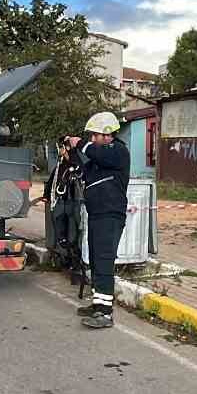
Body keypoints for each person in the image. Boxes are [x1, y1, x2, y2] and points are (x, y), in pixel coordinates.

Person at [64, 111, 130, 329]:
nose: (92, 139)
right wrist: (71, 154)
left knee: (103, 261)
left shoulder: (118, 152)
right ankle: (98, 304)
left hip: (110, 216)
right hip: (97, 215)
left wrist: (80, 143)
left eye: (95, 135)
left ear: (108, 135)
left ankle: (105, 313)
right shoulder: (99, 159)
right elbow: (84, 171)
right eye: (90, 136)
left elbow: (95, 153)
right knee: (94, 259)